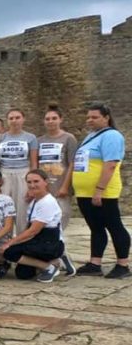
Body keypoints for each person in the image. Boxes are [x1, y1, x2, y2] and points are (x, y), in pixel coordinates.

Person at [73, 103, 131, 278]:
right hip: (85, 191)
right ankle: (95, 263)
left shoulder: (112, 136)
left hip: (102, 192)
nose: (90, 120)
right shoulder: (91, 136)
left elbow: (111, 164)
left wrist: (99, 190)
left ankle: (123, 264)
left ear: (106, 118)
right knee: (96, 227)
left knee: (114, 226)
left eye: (94, 117)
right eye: (88, 117)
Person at [2, 170, 67, 282]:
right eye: (29, 182)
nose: (32, 185)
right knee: (23, 274)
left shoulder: (47, 202)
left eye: (36, 181)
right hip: (38, 241)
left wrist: (10, 243)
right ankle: (53, 261)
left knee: (9, 252)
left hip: (49, 243)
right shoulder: (35, 201)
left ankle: (49, 267)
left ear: (45, 182)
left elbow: (33, 230)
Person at [0, 108, 38, 233]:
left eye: (17, 117)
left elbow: (33, 162)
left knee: (22, 207)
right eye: (11, 118)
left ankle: (22, 238)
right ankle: (4, 238)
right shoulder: (0, 138)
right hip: (4, 174)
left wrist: (33, 184)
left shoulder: (31, 138)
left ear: (23, 119)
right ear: (7, 121)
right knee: (3, 207)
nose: (14, 121)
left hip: (23, 173)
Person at [38, 105, 77, 231]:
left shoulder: (68, 138)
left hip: (61, 185)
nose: (50, 121)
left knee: (62, 217)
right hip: (44, 186)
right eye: (47, 119)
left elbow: (72, 163)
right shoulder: (39, 140)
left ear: (61, 119)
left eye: (54, 118)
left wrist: (65, 186)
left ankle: (60, 247)